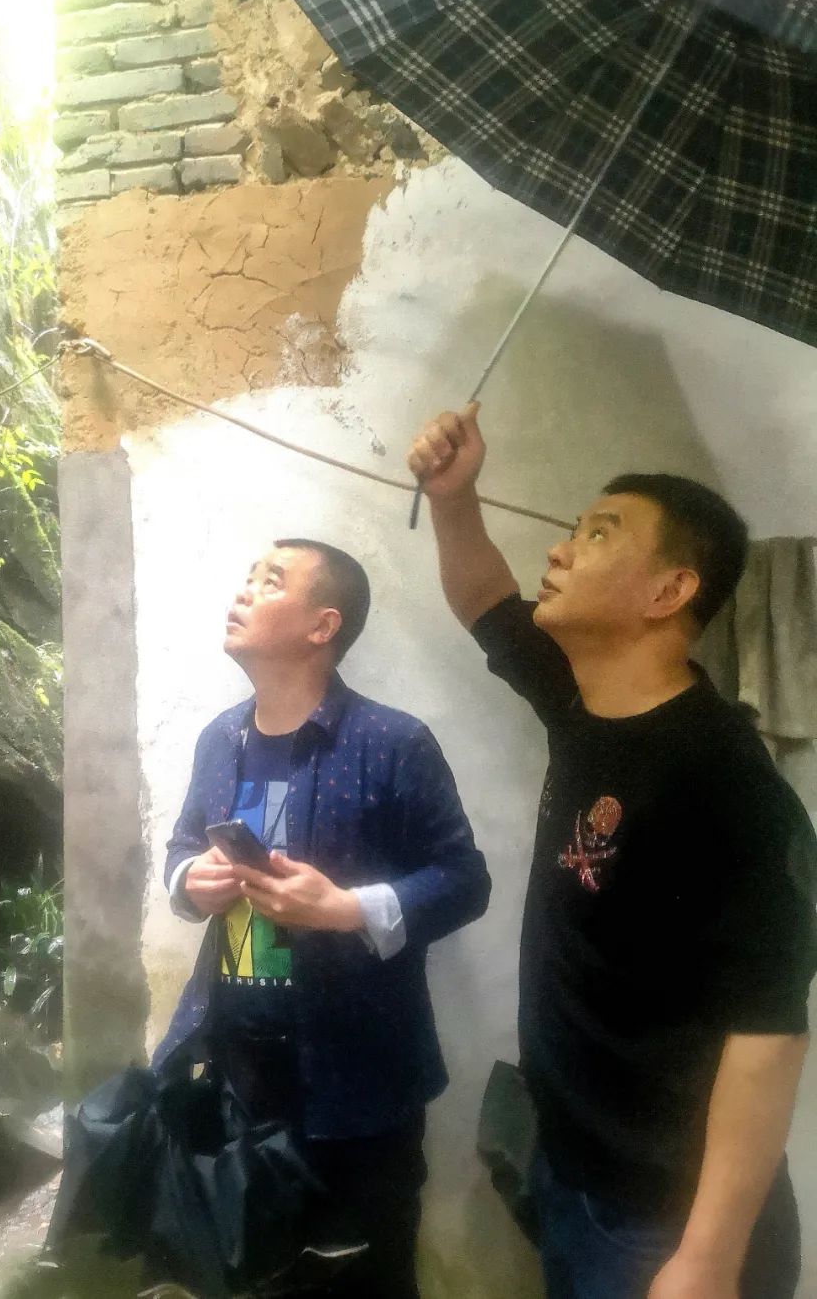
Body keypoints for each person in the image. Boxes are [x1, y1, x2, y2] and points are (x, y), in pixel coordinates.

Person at [408, 404, 817, 1299]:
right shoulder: (581, 702)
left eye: (599, 534)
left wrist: (708, 1259)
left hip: (669, 1224)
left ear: (669, 591)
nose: (560, 550)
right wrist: (452, 497)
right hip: (575, 1174)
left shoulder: (728, 783)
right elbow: (485, 601)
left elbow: (771, 1036)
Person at [154, 537, 491, 1298]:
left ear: (322, 625)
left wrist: (345, 909)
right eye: (247, 574)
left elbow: (465, 881)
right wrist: (188, 880)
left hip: (358, 1087)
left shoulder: (391, 741)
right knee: (248, 1276)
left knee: (366, 1283)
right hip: (236, 1074)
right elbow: (181, 844)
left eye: (271, 580)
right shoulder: (219, 740)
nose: (244, 589)